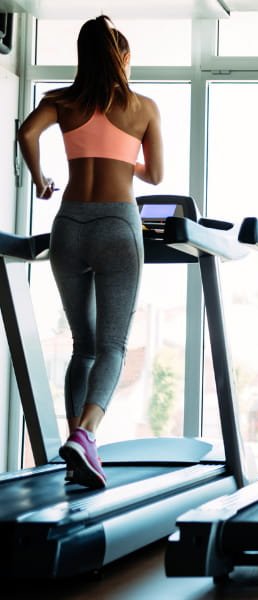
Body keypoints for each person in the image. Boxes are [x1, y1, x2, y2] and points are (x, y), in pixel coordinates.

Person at [17, 15, 163, 489]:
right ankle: (86, 434)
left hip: (69, 224)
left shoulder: (61, 101)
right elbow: (156, 176)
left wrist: (40, 181)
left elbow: (26, 135)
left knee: (83, 344)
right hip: (118, 223)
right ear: (122, 59)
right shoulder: (142, 107)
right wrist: (126, 158)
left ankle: (73, 443)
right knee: (113, 346)